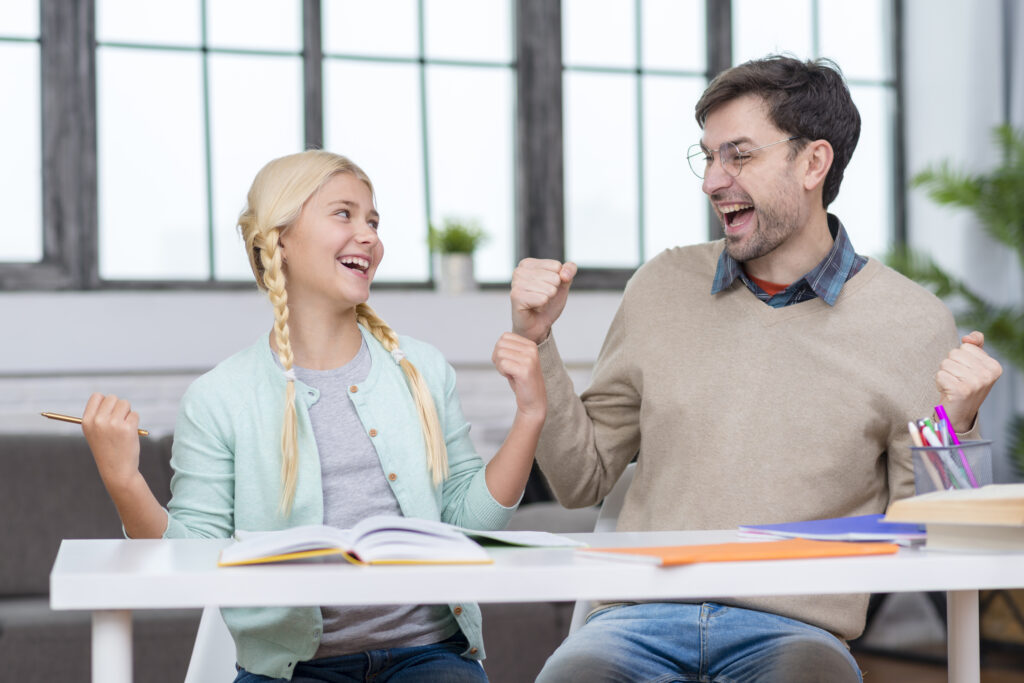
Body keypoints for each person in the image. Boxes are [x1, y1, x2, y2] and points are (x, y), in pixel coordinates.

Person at [511, 56, 1004, 682]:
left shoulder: (912, 322)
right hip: (634, 624)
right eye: (708, 156)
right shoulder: (661, 285)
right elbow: (581, 481)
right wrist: (539, 340)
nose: (713, 180)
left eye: (737, 155)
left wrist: (954, 428)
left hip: (796, 633)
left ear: (813, 163)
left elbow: (936, 546)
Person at [81, 150, 546, 682]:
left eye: (373, 220)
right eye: (344, 214)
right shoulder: (219, 398)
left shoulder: (422, 369)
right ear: (281, 240)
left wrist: (530, 414)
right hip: (294, 670)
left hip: (429, 655)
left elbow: (467, 525)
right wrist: (124, 481)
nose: (368, 234)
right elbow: (193, 562)